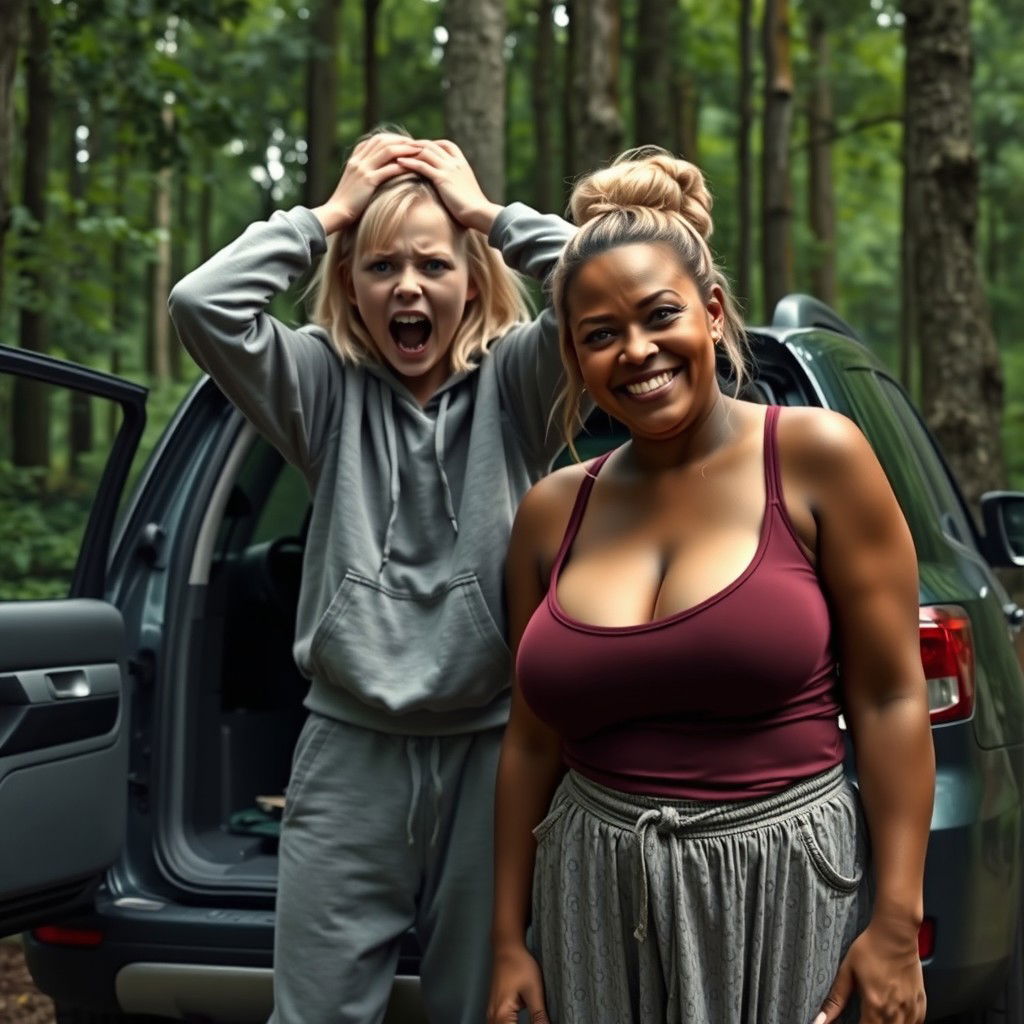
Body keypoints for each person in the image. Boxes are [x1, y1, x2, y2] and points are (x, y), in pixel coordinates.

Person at [487, 147, 935, 1024]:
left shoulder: (816, 457)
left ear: (714, 312)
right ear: (573, 357)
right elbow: (531, 744)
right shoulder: (550, 512)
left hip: (779, 878)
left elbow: (890, 699)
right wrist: (509, 938)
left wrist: (895, 923)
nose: (637, 351)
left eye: (661, 315)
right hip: (592, 885)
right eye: (600, 334)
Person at [169, 128, 579, 1024]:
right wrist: (328, 214)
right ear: (350, 283)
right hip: (349, 754)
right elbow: (202, 303)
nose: (407, 287)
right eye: (381, 265)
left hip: (496, 754)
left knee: (491, 1008)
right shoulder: (320, 386)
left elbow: (605, 279)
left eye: (434, 264)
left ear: (474, 279)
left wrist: (489, 214)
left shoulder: (518, 383)